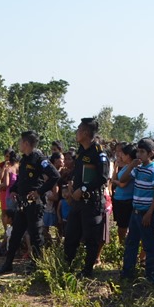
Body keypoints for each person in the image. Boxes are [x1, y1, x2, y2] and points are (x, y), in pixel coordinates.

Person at [0, 131, 59, 275]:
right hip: (23, 204)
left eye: (20, 142)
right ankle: (8, 265)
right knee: (16, 234)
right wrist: (14, 190)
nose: (19, 145)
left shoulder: (39, 159)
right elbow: (21, 180)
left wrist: (39, 192)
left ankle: (37, 266)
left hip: (34, 204)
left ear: (26, 143)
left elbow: (55, 176)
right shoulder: (24, 160)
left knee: (36, 236)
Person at [63, 117, 108, 278]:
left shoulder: (99, 153)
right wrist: (72, 186)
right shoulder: (81, 151)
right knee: (71, 236)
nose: (76, 132)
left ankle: (87, 270)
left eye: (78, 129)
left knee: (91, 238)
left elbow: (103, 178)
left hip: (92, 202)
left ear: (85, 133)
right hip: (77, 202)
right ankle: (66, 267)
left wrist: (83, 189)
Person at [120, 138, 154, 284]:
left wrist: (150, 213)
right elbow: (123, 179)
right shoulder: (137, 168)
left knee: (149, 246)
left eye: (142, 152)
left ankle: (151, 278)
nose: (139, 154)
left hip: (146, 214)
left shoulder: (153, 170)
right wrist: (131, 166)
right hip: (135, 212)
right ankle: (127, 273)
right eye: (138, 151)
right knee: (131, 243)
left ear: (150, 153)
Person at [110, 143, 136, 245]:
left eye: (123, 154)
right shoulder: (125, 167)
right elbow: (114, 178)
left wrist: (115, 181)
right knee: (120, 225)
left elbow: (122, 184)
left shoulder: (132, 168)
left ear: (128, 156)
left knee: (123, 226)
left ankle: (124, 245)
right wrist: (116, 167)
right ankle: (122, 245)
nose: (121, 156)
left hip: (126, 200)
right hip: (119, 199)